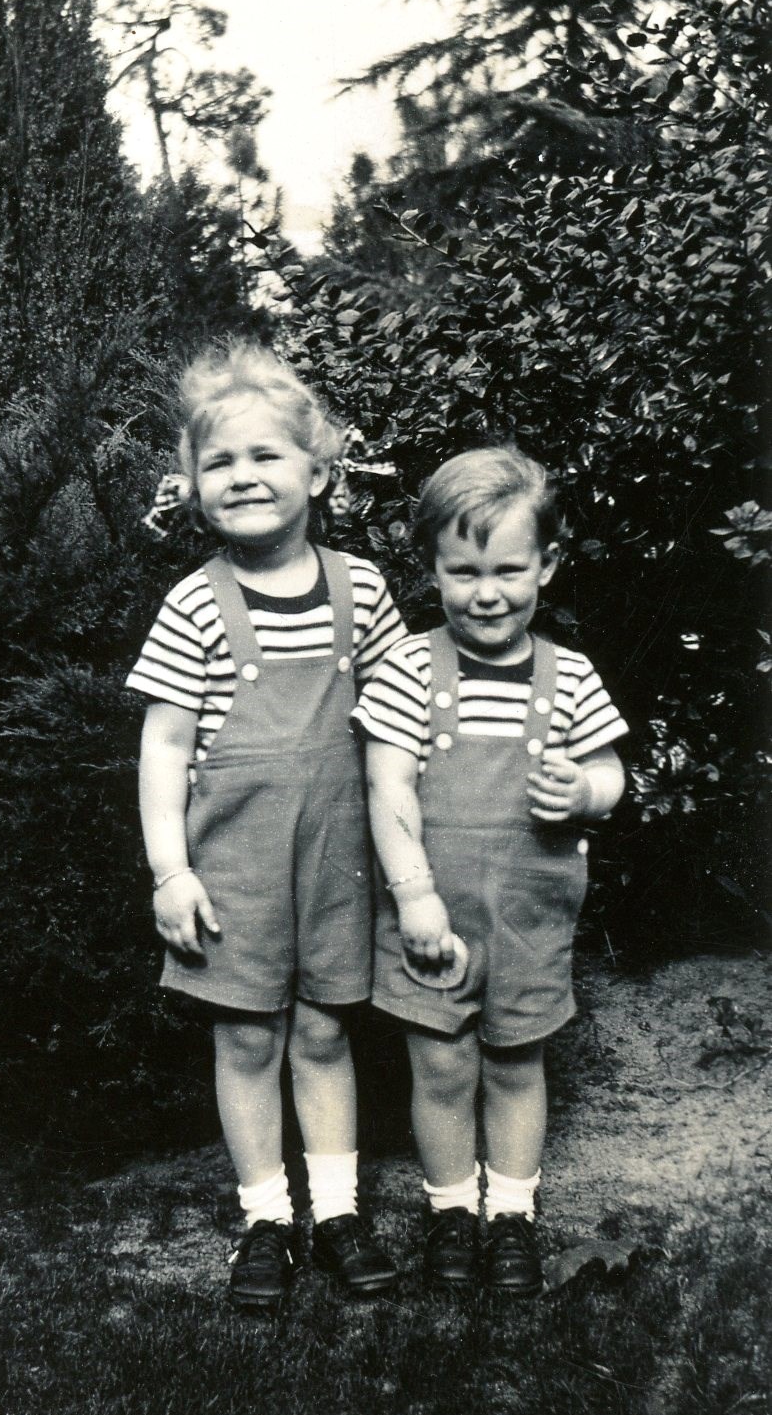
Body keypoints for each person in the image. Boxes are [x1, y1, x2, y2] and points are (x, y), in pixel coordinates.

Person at [127, 343, 407, 1311]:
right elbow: (163, 749)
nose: (242, 477)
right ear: (194, 486)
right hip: (235, 868)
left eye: (265, 457)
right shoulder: (194, 603)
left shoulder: (362, 590)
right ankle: (265, 1220)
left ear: (317, 473)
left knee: (325, 1035)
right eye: (220, 463)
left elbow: (399, 729)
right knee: (247, 1042)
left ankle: (335, 1213)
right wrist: (171, 871)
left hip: (337, 858)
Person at [352, 447, 628, 1297]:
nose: (487, 592)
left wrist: (585, 788)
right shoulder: (410, 669)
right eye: (462, 570)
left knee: (515, 1065)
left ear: (547, 564)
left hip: (529, 917)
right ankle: (451, 1214)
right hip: (430, 915)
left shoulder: (569, 674)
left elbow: (613, 776)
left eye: (509, 569)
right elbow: (386, 783)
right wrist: (416, 897)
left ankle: (511, 1213)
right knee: (440, 1068)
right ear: (431, 565)